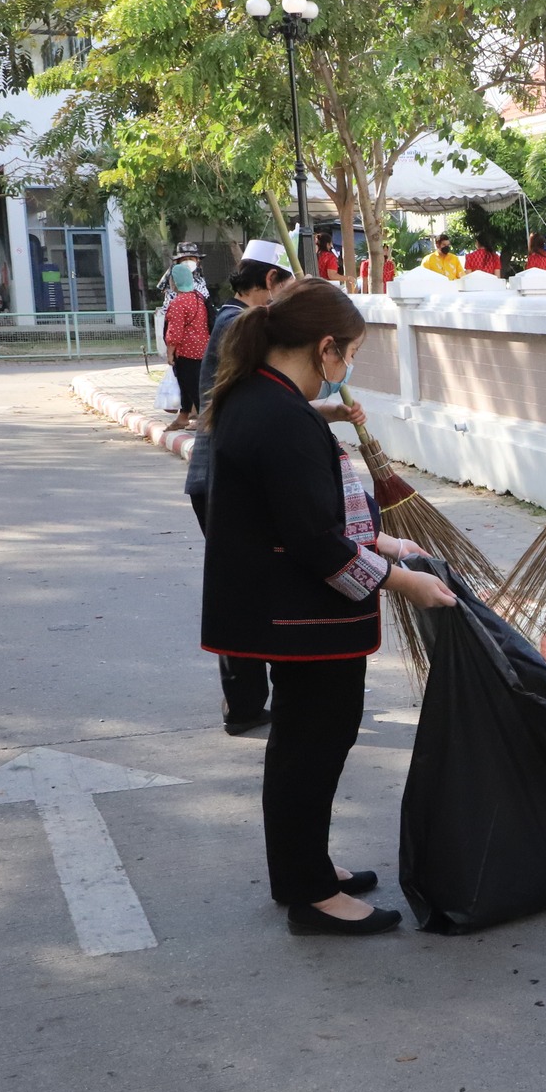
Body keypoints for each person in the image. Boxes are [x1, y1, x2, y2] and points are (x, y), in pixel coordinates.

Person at [201, 278, 457, 936]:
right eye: (349, 355)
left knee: (301, 740)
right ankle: (311, 893)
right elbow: (313, 539)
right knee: (312, 743)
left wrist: (376, 538)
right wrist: (403, 579)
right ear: (325, 348)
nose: (345, 371)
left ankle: (302, 867)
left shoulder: (262, 397)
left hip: (282, 605)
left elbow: (301, 510)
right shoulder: (280, 416)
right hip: (300, 611)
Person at [184, 241, 299, 735]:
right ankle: (246, 704)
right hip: (228, 479)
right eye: (288, 286)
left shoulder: (234, 321)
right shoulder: (240, 324)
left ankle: (249, 701)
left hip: (226, 476)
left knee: (251, 587)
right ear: (271, 282)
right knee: (247, 591)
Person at [163, 260, 211, 432]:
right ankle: (183, 417)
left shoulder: (178, 303)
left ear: (175, 281)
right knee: (187, 385)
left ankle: (204, 420)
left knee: (192, 386)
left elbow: (174, 333)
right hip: (202, 348)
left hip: (186, 352)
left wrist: (170, 353)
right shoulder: (199, 298)